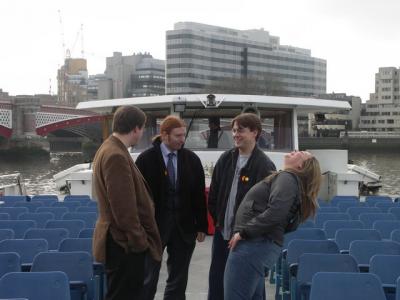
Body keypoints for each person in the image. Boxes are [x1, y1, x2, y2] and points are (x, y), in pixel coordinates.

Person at [224, 151, 322, 300]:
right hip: (260, 245)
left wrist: (244, 233)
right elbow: (286, 222)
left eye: (299, 153)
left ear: (300, 165)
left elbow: (276, 212)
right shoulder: (292, 182)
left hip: (253, 245)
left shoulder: (287, 178)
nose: (294, 152)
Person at [91, 106, 162, 300]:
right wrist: (140, 242)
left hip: (118, 242)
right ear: (136, 128)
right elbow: (124, 210)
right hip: (124, 245)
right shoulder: (116, 155)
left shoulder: (108, 148)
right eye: (142, 128)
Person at [136, 115, 208, 300]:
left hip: (184, 229)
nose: (182, 139)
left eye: (184, 135)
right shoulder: (145, 160)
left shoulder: (192, 160)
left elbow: (198, 196)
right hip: (154, 228)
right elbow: (138, 197)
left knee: (178, 279)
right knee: (148, 278)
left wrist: (201, 226)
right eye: (178, 135)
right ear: (164, 135)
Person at [207, 113, 277, 300]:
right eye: (234, 130)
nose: (236, 134)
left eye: (241, 131)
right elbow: (214, 195)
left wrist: (248, 231)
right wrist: (220, 221)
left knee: (251, 286)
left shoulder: (264, 165)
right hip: (223, 235)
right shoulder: (225, 159)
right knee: (217, 282)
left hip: (248, 240)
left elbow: (268, 207)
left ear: (255, 132)